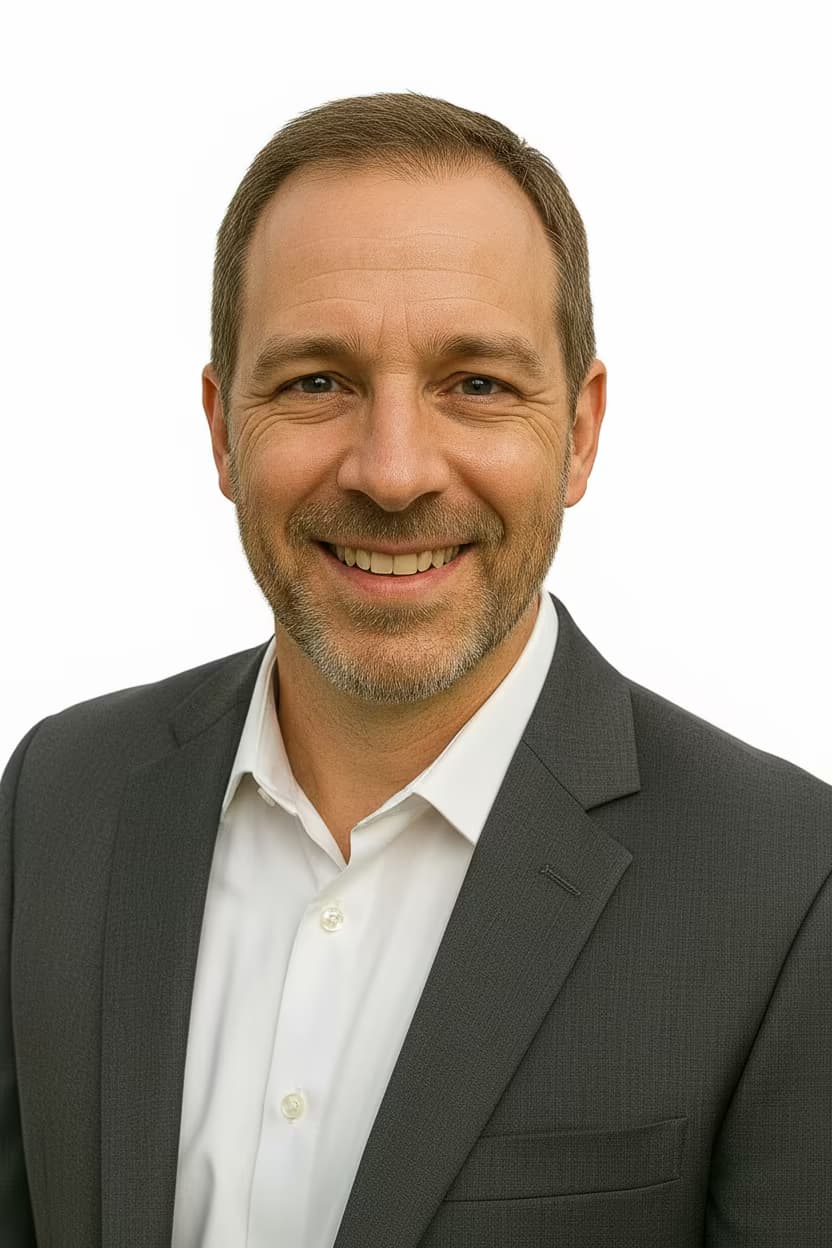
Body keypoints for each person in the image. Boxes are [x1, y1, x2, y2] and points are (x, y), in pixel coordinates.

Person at [1, 91, 830, 1248]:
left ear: (581, 431)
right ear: (219, 430)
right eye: (316, 382)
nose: (392, 473)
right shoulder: (57, 800)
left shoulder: (792, 889)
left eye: (476, 384)